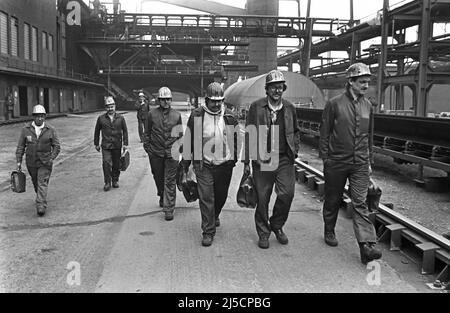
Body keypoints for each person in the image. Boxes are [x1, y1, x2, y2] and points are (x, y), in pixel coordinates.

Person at [319, 62, 382, 264]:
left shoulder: (368, 106)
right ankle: (329, 230)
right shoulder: (334, 104)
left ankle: (367, 246)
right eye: (361, 82)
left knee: (360, 202)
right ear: (351, 82)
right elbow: (324, 133)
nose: (365, 85)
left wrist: (369, 160)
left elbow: (369, 136)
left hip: (360, 163)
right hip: (336, 161)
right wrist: (326, 159)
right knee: (333, 199)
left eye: (367, 82)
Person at [243, 70, 300, 249]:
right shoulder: (256, 107)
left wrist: (295, 150)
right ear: (266, 90)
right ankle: (263, 232)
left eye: (280, 87)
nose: (277, 91)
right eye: (273, 87)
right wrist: (246, 162)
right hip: (263, 158)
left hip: (284, 158)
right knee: (263, 197)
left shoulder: (290, 108)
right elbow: (249, 133)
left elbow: (296, 131)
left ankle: (276, 224)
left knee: (287, 193)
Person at [182, 82, 239, 247]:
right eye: (213, 101)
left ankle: (215, 215)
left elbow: (235, 139)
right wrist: (185, 165)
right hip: (204, 165)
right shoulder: (197, 116)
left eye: (219, 101)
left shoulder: (229, 117)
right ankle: (208, 231)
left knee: (220, 197)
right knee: (207, 198)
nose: (216, 104)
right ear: (206, 100)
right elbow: (189, 140)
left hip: (224, 165)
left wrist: (233, 159)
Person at [143, 87, 183, 221]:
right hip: (156, 152)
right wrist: (148, 147)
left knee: (170, 180)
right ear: (159, 100)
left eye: (168, 99)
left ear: (171, 100)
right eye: (163, 99)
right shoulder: (151, 114)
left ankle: (169, 208)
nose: (165, 102)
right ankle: (161, 194)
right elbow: (147, 132)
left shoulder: (177, 115)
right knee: (158, 177)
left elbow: (180, 135)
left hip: (172, 153)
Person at [15, 104, 61, 216]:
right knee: (36, 182)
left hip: (45, 162)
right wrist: (19, 161)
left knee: (42, 183)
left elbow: (57, 146)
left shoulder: (50, 130)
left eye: (42, 116)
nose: (39, 118)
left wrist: (52, 158)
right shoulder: (26, 130)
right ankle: (40, 195)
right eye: (37, 116)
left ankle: (41, 205)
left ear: (44, 117)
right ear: (33, 117)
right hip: (31, 162)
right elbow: (21, 146)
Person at [94, 96, 129, 192]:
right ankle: (107, 182)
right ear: (106, 108)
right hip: (106, 145)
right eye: (108, 107)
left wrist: (125, 143)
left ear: (115, 106)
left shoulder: (121, 118)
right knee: (106, 163)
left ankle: (115, 180)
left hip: (117, 145)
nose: (110, 109)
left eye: (112, 106)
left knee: (116, 164)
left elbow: (125, 131)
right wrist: (96, 143)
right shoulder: (101, 119)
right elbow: (97, 131)